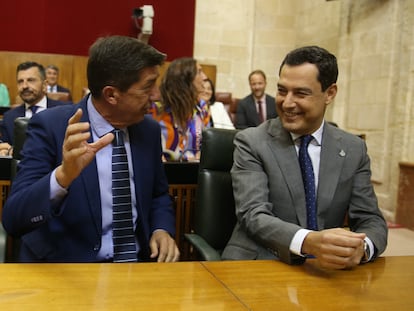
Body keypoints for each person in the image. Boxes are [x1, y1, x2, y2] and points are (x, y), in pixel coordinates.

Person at [2, 35, 180, 263]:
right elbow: (14, 218)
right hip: (68, 271)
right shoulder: (52, 127)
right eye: (148, 87)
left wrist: (161, 229)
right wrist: (63, 177)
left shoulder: (149, 131)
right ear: (111, 94)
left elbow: (158, 195)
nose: (156, 96)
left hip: (137, 269)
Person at [222, 46, 387, 270]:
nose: (287, 103)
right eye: (282, 91)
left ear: (330, 93)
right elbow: (253, 214)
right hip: (258, 264)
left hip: (325, 271)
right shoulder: (251, 141)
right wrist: (309, 242)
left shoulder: (353, 149)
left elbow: (371, 220)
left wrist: (362, 248)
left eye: (300, 93)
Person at [0, 62, 68, 156]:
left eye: (31, 80)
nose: (24, 86)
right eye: (20, 81)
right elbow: (5, 147)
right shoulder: (9, 117)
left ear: (44, 85)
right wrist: (4, 151)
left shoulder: (63, 112)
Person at [150, 57, 208, 161]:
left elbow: (207, 144)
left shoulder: (202, 109)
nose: (205, 77)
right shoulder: (155, 110)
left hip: (193, 171)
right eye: (199, 72)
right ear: (185, 79)